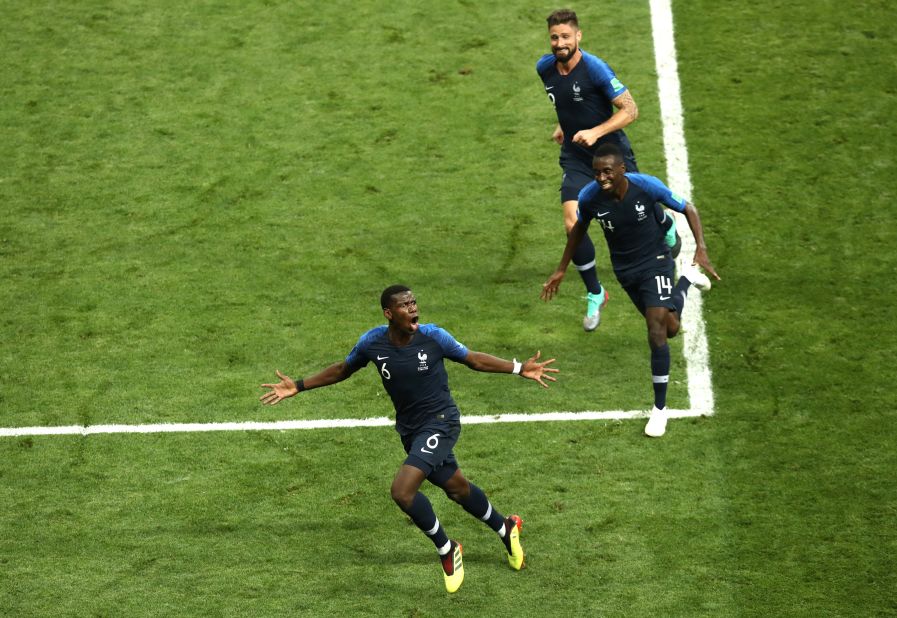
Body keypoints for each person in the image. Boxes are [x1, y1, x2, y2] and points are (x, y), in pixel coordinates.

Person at [260, 285, 559, 593]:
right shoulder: (372, 343)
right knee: (456, 488)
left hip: (442, 423)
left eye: (414, 302)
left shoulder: (434, 337)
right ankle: (505, 527)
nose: (413, 308)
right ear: (389, 313)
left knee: (403, 492)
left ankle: (447, 548)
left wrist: (520, 368)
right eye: (405, 305)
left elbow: (473, 360)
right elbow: (342, 370)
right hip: (411, 430)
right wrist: (298, 385)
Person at [540, 143, 719, 437]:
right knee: (671, 328)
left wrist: (700, 247)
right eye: (597, 172)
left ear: (623, 170)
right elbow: (578, 233)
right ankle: (686, 280)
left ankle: (660, 410)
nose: (601, 178)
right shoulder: (590, 198)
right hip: (626, 270)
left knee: (656, 329)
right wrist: (561, 268)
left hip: (657, 261)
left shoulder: (647, 186)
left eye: (607, 171)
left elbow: (688, 207)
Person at [537, 9, 679, 331]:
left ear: (578, 37)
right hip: (575, 156)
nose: (560, 43)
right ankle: (595, 292)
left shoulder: (596, 69)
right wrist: (564, 123)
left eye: (566, 37)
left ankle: (665, 222)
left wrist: (596, 132)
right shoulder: (544, 68)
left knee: (637, 208)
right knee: (572, 220)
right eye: (555, 37)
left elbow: (631, 109)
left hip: (610, 154)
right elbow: (566, 102)